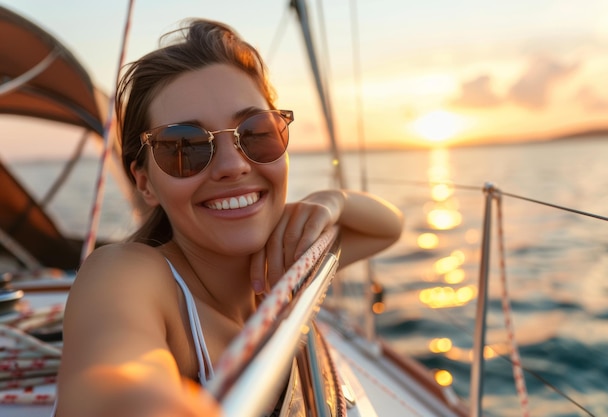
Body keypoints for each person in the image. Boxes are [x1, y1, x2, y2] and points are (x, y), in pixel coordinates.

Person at [54, 18, 403, 417]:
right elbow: (113, 382)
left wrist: (332, 201)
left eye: (256, 132)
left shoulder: (286, 262)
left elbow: (386, 228)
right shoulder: (127, 274)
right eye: (184, 147)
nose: (233, 165)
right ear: (145, 183)